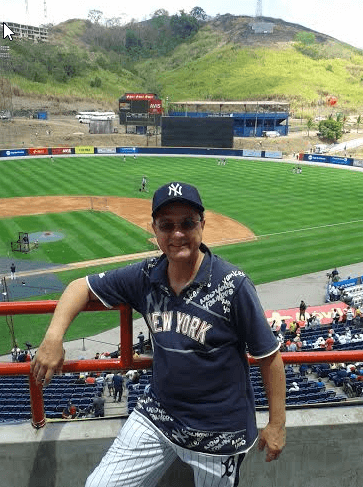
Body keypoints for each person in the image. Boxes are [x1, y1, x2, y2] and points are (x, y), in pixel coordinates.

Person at [31, 181, 286, 486]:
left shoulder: (234, 285)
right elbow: (79, 287)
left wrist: (277, 424)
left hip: (218, 433)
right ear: (154, 228)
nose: (177, 234)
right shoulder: (145, 275)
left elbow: (269, 357)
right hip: (158, 416)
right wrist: (53, 338)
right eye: (167, 225)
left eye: (187, 223)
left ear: (202, 225)